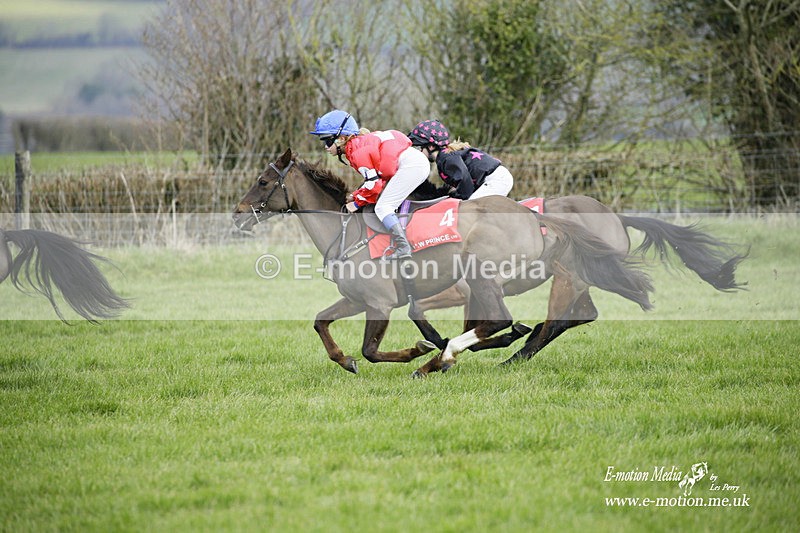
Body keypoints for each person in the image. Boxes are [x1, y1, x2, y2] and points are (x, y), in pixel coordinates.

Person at [310, 109, 430, 259]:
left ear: (341, 138)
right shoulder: (358, 145)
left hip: (411, 166)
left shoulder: (357, 152)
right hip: (414, 163)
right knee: (385, 203)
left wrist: (357, 203)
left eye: (328, 141)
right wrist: (356, 195)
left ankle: (403, 247)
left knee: (383, 207)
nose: (326, 147)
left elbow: (374, 185)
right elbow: (374, 181)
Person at [408, 120, 514, 200]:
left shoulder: (445, 158)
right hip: (496, 178)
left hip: (495, 180)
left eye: (420, 147)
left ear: (430, 146)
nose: (420, 151)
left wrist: (456, 197)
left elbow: (465, 184)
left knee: (468, 211)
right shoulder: (446, 156)